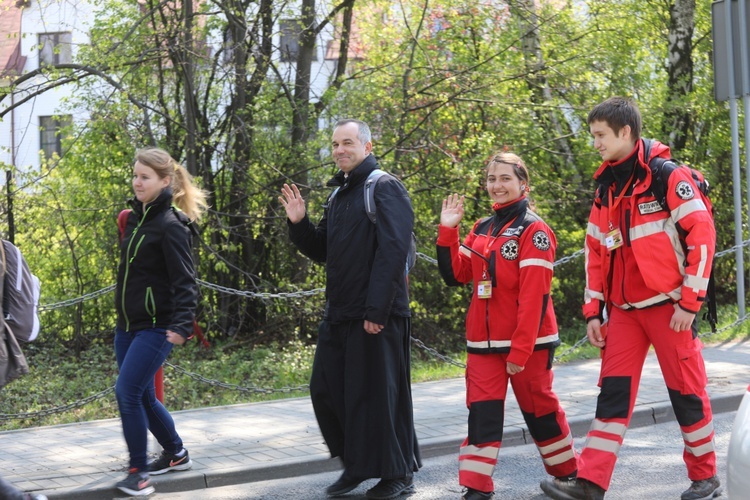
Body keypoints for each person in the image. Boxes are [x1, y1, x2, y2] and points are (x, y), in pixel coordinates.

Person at [541, 97, 719, 500]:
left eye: (601, 135)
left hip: (672, 310)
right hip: (622, 315)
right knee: (613, 397)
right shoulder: (606, 186)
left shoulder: (667, 176)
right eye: (592, 136)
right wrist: (592, 311)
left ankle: (705, 476)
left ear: (626, 132)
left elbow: (703, 237)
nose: (595, 144)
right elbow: (595, 252)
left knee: (687, 394)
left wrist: (689, 303)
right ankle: (590, 483)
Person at [279, 119, 421, 499]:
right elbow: (323, 250)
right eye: (335, 143)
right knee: (327, 390)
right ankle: (356, 466)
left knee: (379, 396)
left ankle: (398, 474)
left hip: (378, 314)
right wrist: (299, 223)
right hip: (340, 313)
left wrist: (376, 311)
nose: (340, 149)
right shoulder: (339, 195)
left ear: (367, 146)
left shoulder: (384, 187)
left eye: (347, 143)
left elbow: (393, 253)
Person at [436, 152, 578, 499]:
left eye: (504, 179)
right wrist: (448, 229)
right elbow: (456, 275)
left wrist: (521, 348)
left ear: (522, 184)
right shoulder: (482, 227)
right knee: (481, 415)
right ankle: (476, 487)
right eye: (491, 179)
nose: (496, 186)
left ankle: (570, 477)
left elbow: (535, 296)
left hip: (528, 345)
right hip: (482, 346)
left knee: (541, 413)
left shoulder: (535, 229)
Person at [113, 147, 207, 496]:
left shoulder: (171, 226)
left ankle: (138, 473)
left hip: (157, 326)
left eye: (145, 177)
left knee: (127, 391)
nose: (137, 182)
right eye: (135, 175)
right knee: (143, 396)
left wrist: (182, 326)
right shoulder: (134, 219)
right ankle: (176, 453)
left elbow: (186, 283)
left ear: (165, 181)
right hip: (128, 325)